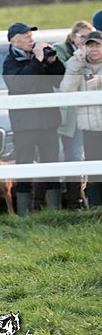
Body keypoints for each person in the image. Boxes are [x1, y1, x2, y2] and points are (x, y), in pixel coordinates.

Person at [2, 22, 65, 216]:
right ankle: (24, 212)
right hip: (25, 125)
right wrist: (37, 61)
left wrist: (53, 62)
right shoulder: (10, 63)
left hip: (48, 122)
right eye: (26, 36)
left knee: (52, 164)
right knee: (24, 166)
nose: (31, 39)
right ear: (14, 41)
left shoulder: (38, 57)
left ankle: (54, 210)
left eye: (31, 35)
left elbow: (58, 81)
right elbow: (21, 86)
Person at [60, 30, 102, 207]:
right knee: (94, 173)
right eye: (90, 45)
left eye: (98, 45)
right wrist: (75, 65)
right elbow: (66, 90)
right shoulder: (77, 64)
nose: (94, 49)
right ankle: (96, 209)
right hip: (89, 128)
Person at [54, 21, 92, 209]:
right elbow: (63, 80)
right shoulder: (59, 51)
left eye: (88, 37)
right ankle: (59, 203)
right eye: (82, 36)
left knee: (78, 156)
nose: (86, 40)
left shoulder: (93, 52)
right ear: (72, 36)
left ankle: (78, 201)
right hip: (63, 113)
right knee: (57, 156)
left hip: (83, 113)